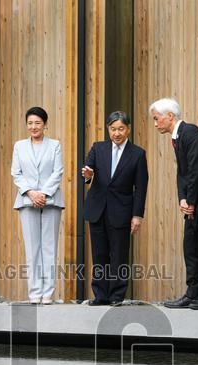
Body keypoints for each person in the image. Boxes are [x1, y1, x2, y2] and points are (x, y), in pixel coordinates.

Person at [150, 98, 198, 310]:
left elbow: (196, 170)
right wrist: (183, 199)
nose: (155, 124)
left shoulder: (191, 133)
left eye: (157, 119)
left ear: (170, 116)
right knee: (190, 246)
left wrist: (191, 201)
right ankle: (193, 293)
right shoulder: (178, 137)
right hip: (196, 199)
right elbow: (182, 173)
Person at [81, 111, 149, 305]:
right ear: (108, 129)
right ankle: (100, 295)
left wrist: (137, 215)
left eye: (120, 128)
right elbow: (88, 171)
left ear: (128, 129)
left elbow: (141, 188)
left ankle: (117, 295)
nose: (116, 133)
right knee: (99, 254)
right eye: (113, 129)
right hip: (97, 210)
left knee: (119, 255)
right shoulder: (98, 148)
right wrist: (87, 174)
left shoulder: (137, 154)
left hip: (122, 211)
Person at [11, 106, 65, 304]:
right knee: (32, 248)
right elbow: (16, 173)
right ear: (27, 125)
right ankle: (34, 293)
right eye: (30, 123)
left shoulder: (55, 145)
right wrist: (31, 193)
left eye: (38, 123)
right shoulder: (19, 146)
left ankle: (48, 293)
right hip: (27, 200)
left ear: (45, 125)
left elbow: (57, 171)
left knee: (49, 248)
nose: (34, 127)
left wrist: (43, 193)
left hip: (51, 200)